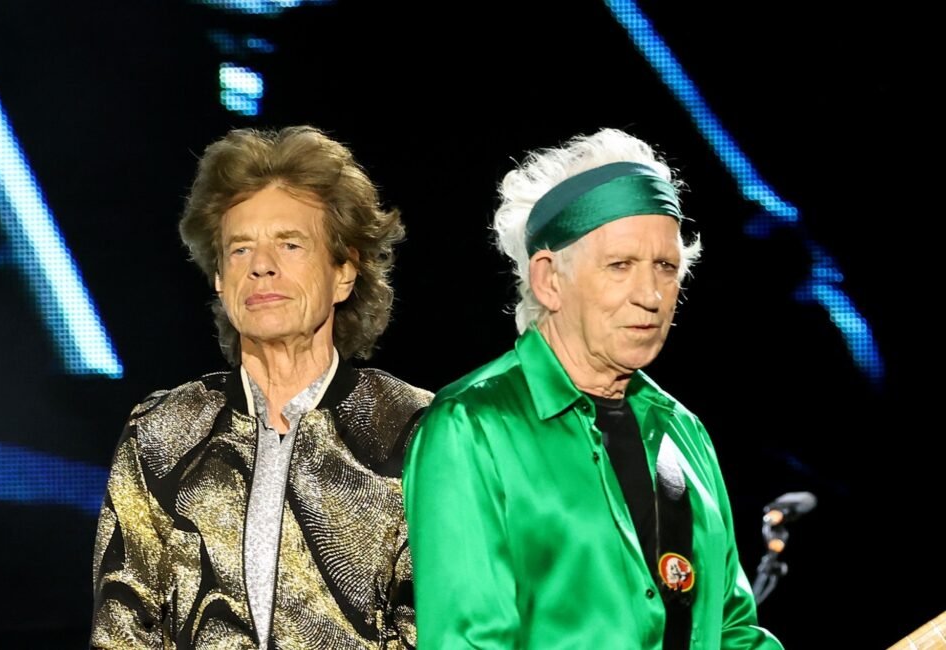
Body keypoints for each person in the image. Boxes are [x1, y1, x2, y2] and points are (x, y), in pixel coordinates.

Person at [403, 127, 784, 649]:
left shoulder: (685, 433)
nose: (650, 295)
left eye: (665, 267)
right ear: (548, 279)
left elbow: (732, 631)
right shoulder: (472, 426)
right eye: (620, 266)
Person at [91, 126, 430, 648]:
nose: (261, 267)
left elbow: (434, 624)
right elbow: (122, 629)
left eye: (290, 245)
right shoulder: (160, 432)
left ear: (344, 272)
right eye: (240, 249)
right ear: (219, 278)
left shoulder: (415, 429)